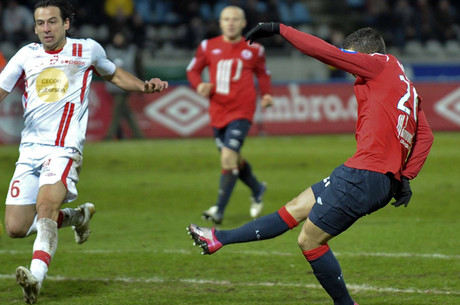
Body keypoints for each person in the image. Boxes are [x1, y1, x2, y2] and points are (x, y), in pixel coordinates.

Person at [188, 23, 434, 305]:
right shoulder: (407, 86)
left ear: (366, 54)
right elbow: (425, 135)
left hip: (365, 173)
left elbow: (325, 52)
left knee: (309, 241)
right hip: (374, 176)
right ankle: (218, 238)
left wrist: (279, 29)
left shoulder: (377, 65)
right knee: (297, 207)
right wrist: (405, 178)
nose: (347, 65)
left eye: (350, 57)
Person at [0, 1, 168, 304]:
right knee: (15, 227)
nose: (46, 29)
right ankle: (78, 216)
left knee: (45, 206)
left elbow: (114, 74)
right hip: (30, 150)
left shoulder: (87, 50)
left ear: (67, 24)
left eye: (52, 22)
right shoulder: (26, 55)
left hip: (64, 147)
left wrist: (144, 86)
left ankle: (35, 278)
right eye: (40, 23)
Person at [186, 6, 273, 225]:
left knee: (227, 157)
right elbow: (192, 70)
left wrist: (267, 95)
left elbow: (263, 73)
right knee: (233, 159)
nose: (231, 22)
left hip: (242, 111)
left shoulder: (254, 49)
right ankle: (257, 187)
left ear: (244, 23)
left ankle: (218, 210)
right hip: (217, 111)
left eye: (235, 19)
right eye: (226, 19)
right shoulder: (207, 46)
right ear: (220, 22)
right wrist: (199, 86)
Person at [104, 31, 143, 139]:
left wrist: (140, 84)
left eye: (120, 38)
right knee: (126, 111)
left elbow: (138, 67)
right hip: (114, 84)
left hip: (127, 84)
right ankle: (138, 134)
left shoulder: (132, 50)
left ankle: (110, 135)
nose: (118, 40)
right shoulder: (109, 50)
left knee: (117, 110)